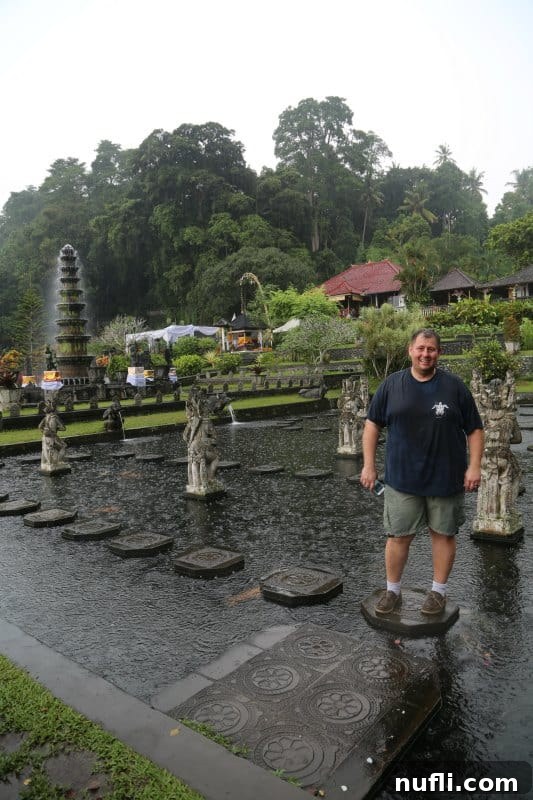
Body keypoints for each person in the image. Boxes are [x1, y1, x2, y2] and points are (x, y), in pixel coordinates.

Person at [360, 328, 484, 616]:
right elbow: (372, 425)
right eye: (420, 348)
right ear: (410, 351)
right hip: (402, 479)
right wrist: (368, 465)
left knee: (442, 535)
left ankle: (437, 592)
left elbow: (475, 429)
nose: (425, 354)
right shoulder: (392, 385)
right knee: (398, 536)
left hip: (447, 477)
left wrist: (475, 466)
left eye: (431, 349)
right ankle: (392, 590)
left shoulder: (454, 387)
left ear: (439, 353)